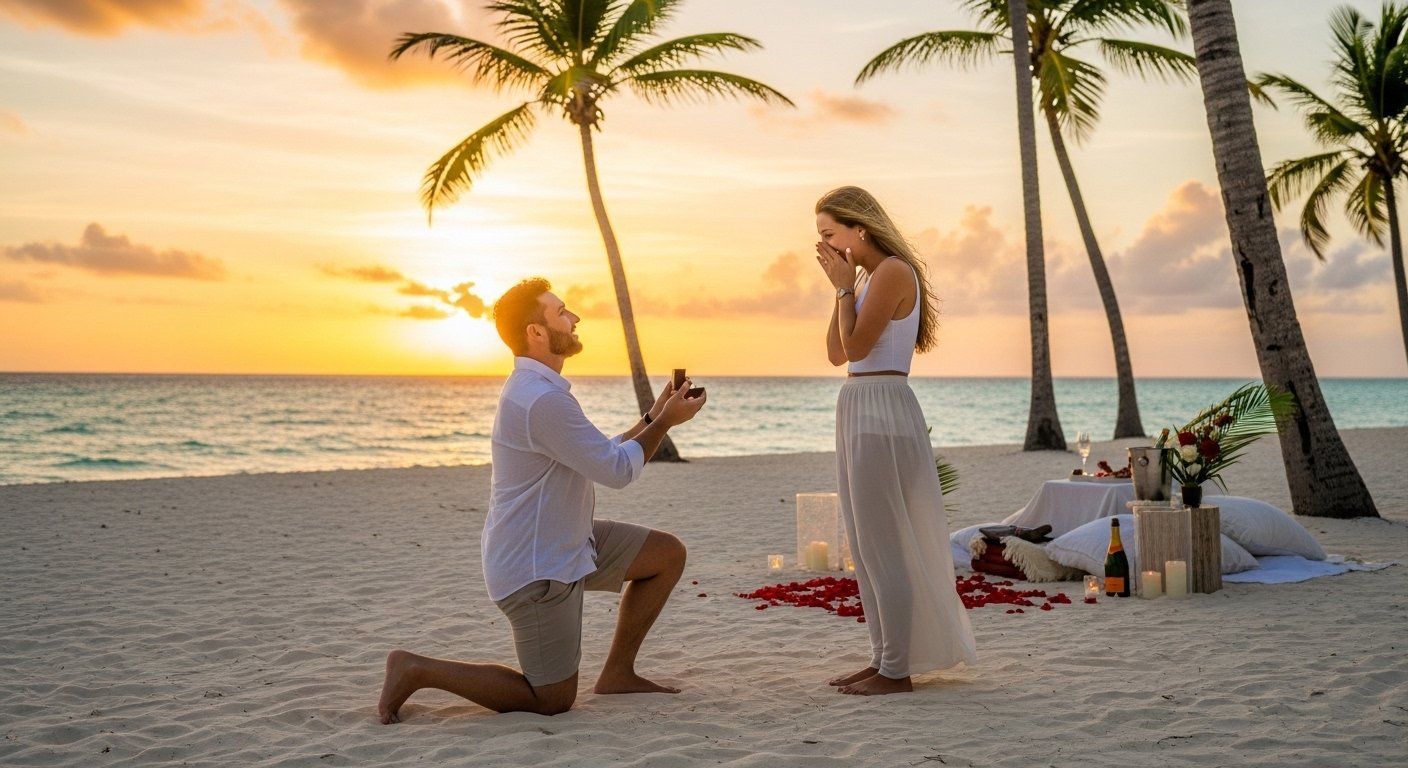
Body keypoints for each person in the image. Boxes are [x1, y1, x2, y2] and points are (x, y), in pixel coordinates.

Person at [378, 277, 705, 722]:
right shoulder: (541, 400)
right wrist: (664, 424)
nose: (574, 318)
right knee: (551, 700)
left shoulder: (543, 394)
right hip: (536, 568)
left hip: (569, 543)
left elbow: (601, 455)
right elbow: (617, 471)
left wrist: (652, 416)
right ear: (536, 332)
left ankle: (617, 673)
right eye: (562, 312)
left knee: (665, 553)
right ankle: (416, 668)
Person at [812, 186, 977, 695]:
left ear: (858, 229)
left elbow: (859, 344)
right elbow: (837, 355)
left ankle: (895, 671)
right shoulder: (863, 277)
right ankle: (884, 658)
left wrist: (844, 290)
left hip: (882, 405)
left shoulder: (892, 272)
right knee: (865, 545)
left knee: (885, 547)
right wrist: (842, 286)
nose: (821, 245)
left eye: (827, 233)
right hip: (860, 402)